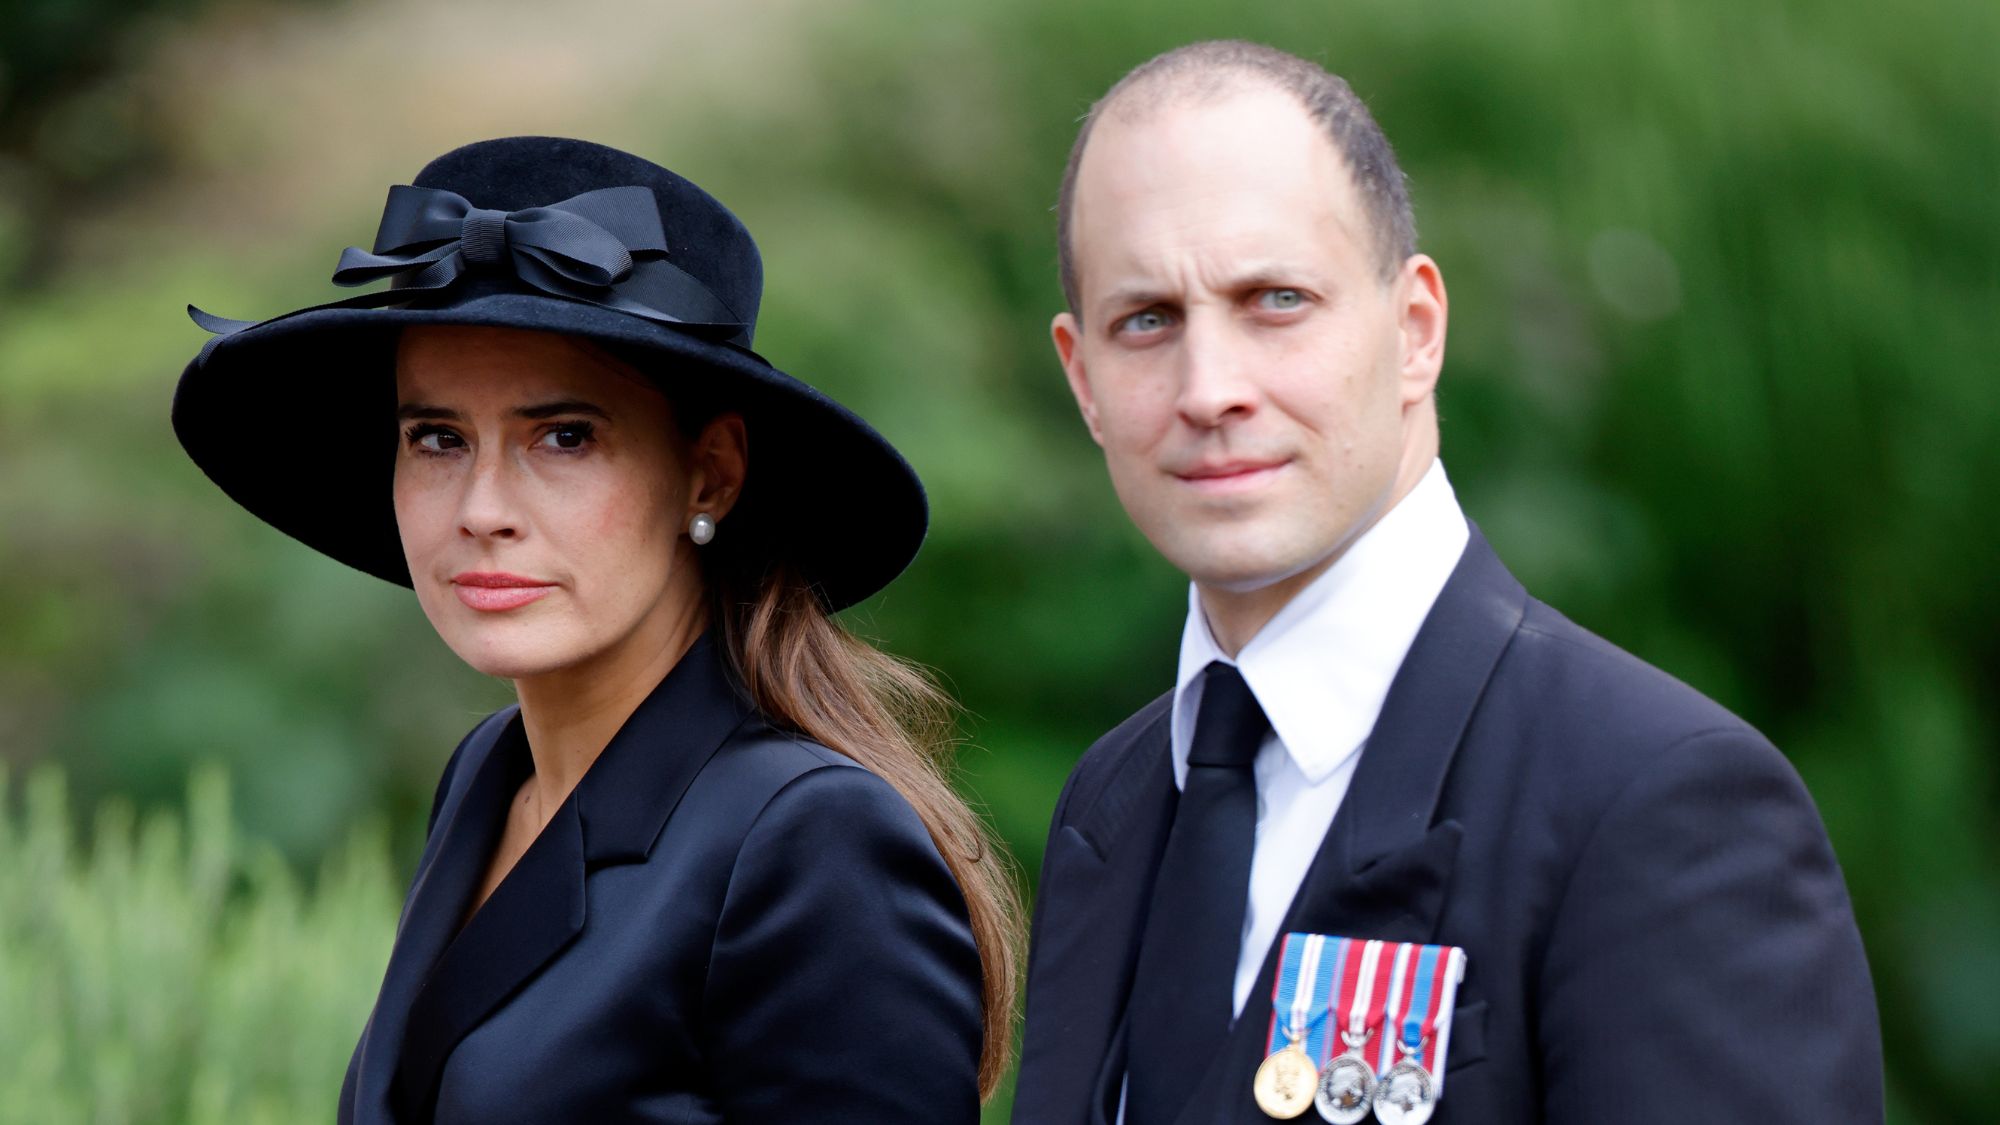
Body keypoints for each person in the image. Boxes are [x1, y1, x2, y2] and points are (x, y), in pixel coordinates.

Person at [1012, 41, 1881, 1125]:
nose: (1209, 388)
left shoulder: (1653, 801)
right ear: (1082, 379)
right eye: (1146, 320)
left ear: (1414, 330)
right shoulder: (1112, 802)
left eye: (1274, 299)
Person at [171, 136, 1020, 1124]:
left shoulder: (809, 842)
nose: (481, 508)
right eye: (436, 438)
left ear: (709, 474)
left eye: (563, 437)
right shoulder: (491, 777)